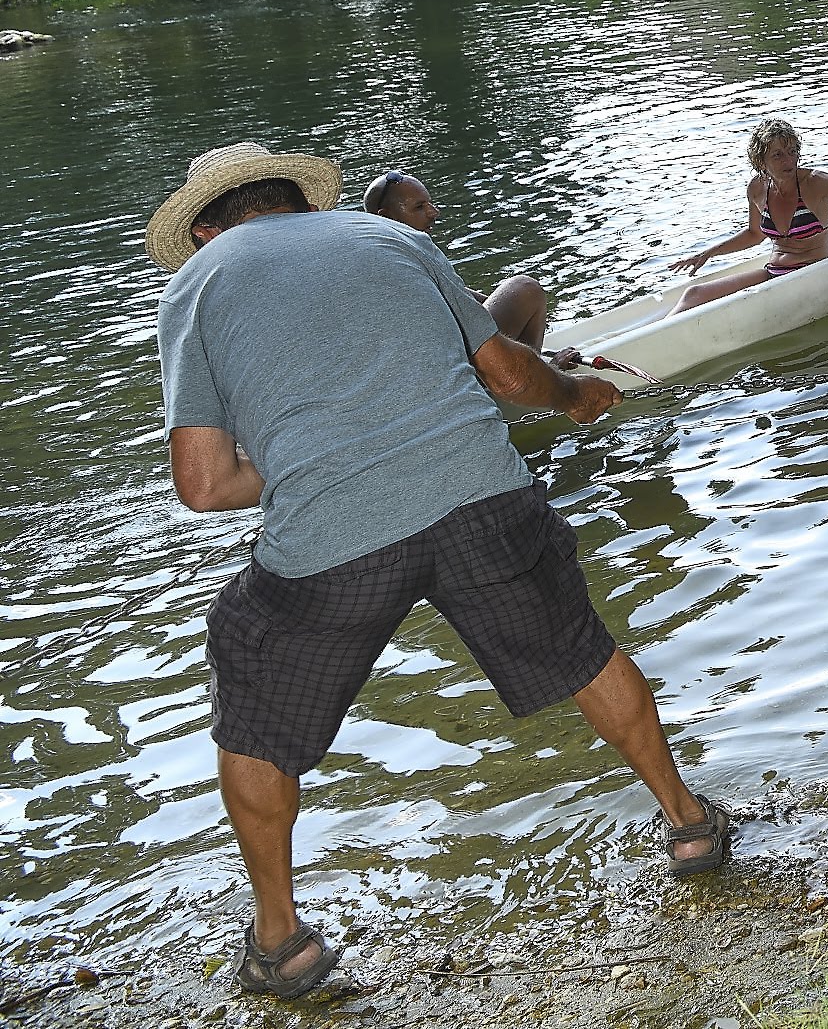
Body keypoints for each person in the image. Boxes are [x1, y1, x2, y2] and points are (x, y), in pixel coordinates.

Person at [146, 143, 731, 1001]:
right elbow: (502, 371)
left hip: (330, 545)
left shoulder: (194, 285)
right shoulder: (389, 240)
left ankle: (283, 943)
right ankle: (689, 824)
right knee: (581, 648)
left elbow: (201, 484)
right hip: (482, 498)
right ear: (300, 202)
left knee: (256, 710)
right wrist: (574, 391)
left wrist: (312, 453)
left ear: (205, 228)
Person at [670, 118, 828, 310]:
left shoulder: (817, 183)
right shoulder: (757, 188)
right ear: (760, 160)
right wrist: (708, 253)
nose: (789, 160)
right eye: (778, 155)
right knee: (694, 294)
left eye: (792, 151)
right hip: (774, 274)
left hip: (813, 274)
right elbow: (755, 234)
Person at [361, 170, 564, 361]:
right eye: (419, 207)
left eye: (430, 203)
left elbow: (459, 295)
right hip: (442, 361)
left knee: (514, 301)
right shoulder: (403, 256)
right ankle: (535, 378)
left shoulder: (380, 254)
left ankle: (533, 369)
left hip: (423, 356)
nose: (434, 212)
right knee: (525, 290)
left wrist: (522, 318)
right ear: (386, 217)